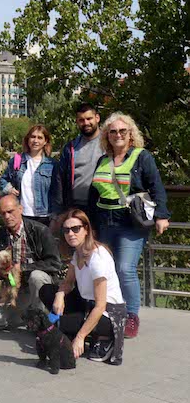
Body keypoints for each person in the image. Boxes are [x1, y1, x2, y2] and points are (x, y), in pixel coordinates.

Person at [88, 112, 170, 339]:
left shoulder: (142, 157)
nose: (118, 135)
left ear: (131, 134)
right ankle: (111, 311)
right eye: (113, 131)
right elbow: (93, 194)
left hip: (130, 222)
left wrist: (162, 216)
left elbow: (156, 187)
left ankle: (131, 316)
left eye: (122, 131)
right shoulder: (102, 160)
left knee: (125, 269)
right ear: (107, 136)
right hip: (104, 221)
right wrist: (89, 225)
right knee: (107, 270)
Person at [39, 209, 126, 365]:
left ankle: (101, 337)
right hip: (86, 303)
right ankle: (74, 330)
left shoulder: (97, 258)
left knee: (55, 325)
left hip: (108, 313)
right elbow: (68, 282)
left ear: (86, 230)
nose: (71, 233)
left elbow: (100, 306)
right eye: (66, 230)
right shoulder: (77, 253)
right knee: (46, 291)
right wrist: (59, 295)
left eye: (76, 228)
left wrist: (80, 337)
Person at [0, 194, 63, 330]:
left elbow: (55, 263)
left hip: (39, 285)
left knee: (36, 276)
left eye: (10, 212)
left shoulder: (40, 230)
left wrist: (22, 268)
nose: (7, 217)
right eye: (3, 213)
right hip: (16, 288)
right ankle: (25, 313)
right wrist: (1, 271)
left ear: (20, 209)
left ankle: (42, 319)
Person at [50, 103, 102, 221]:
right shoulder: (71, 147)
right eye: (81, 120)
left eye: (89, 119)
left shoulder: (108, 143)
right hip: (76, 207)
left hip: (102, 207)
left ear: (97, 118)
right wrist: (59, 211)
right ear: (77, 122)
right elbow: (60, 179)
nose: (86, 123)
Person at [0, 124, 55, 226]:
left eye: (40, 138)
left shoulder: (51, 164)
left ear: (45, 141)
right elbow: (3, 180)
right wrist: (9, 189)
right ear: (28, 139)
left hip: (45, 215)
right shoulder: (17, 161)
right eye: (33, 137)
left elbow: (57, 191)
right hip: (22, 213)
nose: (35, 141)